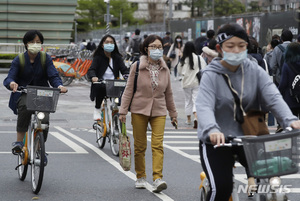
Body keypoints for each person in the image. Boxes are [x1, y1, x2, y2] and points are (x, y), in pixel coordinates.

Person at [196, 23, 300, 201]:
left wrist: (290, 120)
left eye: (241, 46)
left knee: (271, 182)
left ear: (246, 47)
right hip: (218, 141)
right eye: (230, 46)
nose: (236, 50)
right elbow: (204, 106)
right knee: (221, 188)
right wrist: (212, 130)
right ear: (220, 48)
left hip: (250, 138)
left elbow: (273, 96)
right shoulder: (210, 75)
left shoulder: (254, 70)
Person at [118, 35, 178, 193]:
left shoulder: (165, 68)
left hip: (159, 110)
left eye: (160, 47)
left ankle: (158, 178)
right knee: (140, 146)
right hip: (139, 109)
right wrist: (123, 111)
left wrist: (173, 113)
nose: (157, 50)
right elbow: (128, 90)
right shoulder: (137, 66)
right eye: (153, 47)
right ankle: (140, 177)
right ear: (146, 48)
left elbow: (169, 93)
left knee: (158, 145)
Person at [3, 30, 68, 159]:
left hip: (43, 94)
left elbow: (53, 75)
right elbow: (9, 77)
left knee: (44, 119)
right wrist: (12, 83)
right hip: (24, 93)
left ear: (42, 44)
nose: (35, 44)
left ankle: (39, 148)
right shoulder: (19, 59)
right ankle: (19, 142)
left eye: (38, 42)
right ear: (26, 44)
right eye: (32, 42)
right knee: (25, 108)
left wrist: (59, 86)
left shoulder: (45, 58)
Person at [87, 34, 129, 120]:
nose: (109, 44)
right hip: (102, 83)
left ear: (114, 44)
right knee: (100, 89)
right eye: (107, 42)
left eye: (111, 42)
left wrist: (127, 76)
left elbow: (124, 69)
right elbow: (92, 69)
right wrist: (93, 77)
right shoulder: (98, 57)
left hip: (115, 84)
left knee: (122, 95)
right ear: (102, 44)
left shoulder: (117, 57)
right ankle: (97, 109)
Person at [178, 42, 207, 128]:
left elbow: (179, 71)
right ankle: (196, 117)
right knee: (196, 100)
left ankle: (188, 119)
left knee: (188, 101)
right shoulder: (199, 58)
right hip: (196, 82)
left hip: (186, 83)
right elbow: (204, 68)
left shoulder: (183, 59)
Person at [278, 42, 300, 118]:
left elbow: (283, 83)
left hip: (290, 98)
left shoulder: (287, 65)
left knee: (293, 124)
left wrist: (279, 94)